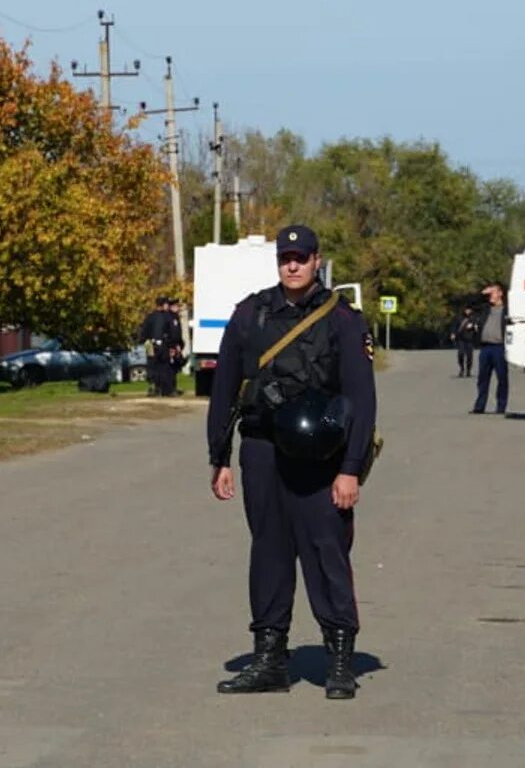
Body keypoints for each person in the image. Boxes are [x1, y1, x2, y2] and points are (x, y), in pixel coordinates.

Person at [205, 224, 378, 700]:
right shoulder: (251, 314)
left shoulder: (342, 320)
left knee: (326, 552)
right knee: (270, 553)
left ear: (317, 260)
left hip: (322, 460)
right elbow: (225, 391)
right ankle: (269, 660)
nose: (294, 265)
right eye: (286, 257)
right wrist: (218, 456)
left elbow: (361, 400)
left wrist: (350, 468)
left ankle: (339, 661)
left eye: (302, 257)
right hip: (262, 450)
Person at [471, 281, 509, 415]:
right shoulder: (486, 308)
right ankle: (479, 406)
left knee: (502, 378)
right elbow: (471, 305)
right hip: (486, 347)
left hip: (499, 347)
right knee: (482, 378)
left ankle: (501, 406)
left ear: (500, 293)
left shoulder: (507, 309)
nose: (490, 296)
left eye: (493, 292)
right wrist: (481, 293)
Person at [139, 297, 175, 397]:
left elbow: (143, 332)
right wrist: (171, 346)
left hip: (150, 344)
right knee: (163, 366)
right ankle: (164, 389)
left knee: (152, 366)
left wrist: (145, 343)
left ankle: (153, 387)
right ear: (163, 305)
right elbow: (171, 332)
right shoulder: (167, 317)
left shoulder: (149, 317)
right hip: (163, 345)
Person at [164, 297, 186, 395]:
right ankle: (169, 389)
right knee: (170, 369)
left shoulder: (175, 317)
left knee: (175, 369)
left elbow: (178, 333)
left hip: (176, 346)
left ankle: (173, 388)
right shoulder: (168, 317)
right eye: (176, 306)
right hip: (170, 346)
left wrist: (180, 345)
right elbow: (169, 333)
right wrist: (171, 346)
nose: (177, 307)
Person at [450, 304, 480, 378]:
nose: (467, 311)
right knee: (461, 354)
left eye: (469, 309)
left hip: (470, 339)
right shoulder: (459, 317)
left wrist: (472, 326)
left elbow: (478, 326)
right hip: (461, 339)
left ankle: (468, 370)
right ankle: (462, 369)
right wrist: (453, 334)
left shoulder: (474, 317)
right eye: (466, 309)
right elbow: (454, 326)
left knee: (469, 356)